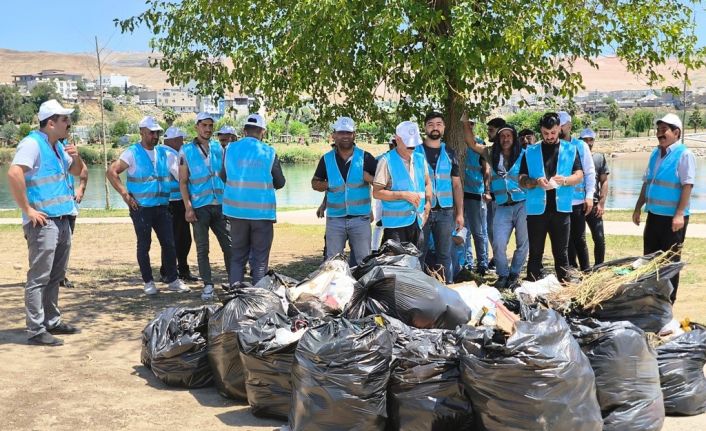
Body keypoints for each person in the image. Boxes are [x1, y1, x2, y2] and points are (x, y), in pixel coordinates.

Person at [7, 99, 86, 345]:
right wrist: (28, 209)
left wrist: (77, 157)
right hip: (43, 221)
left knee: (56, 274)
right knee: (39, 277)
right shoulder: (32, 144)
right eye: (64, 120)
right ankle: (36, 329)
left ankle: (52, 321)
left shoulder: (58, 146)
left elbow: (76, 172)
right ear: (50, 123)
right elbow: (14, 172)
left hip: (62, 218)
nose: (68, 124)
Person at [107, 116, 190, 296]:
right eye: (152, 132)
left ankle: (173, 279)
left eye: (157, 132)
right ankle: (148, 281)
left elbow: (181, 177)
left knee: (169, 243)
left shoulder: (164, 154)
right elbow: (112, 171)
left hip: (162, 207)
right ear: (142, 132)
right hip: (141, 208)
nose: (155, 136)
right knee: (144, 245)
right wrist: (125, 195)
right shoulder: (132, 153)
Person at [633, 113, 695, 303]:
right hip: (653, 216)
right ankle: (651, 299)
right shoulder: (655, 153)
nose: (660, 134)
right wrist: (638, 207)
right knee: (650, 260)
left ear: (676, 133)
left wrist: (679, 215)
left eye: (664, 131)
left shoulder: (684, 154)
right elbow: (647, 182)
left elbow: (687, 185)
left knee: (669, 264)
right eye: (658, 130)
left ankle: (668, 301)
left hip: (673, 221)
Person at [518, 112, 584, 283]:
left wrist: (565, 180)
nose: (549, 137)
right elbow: (521, 180)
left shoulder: (571, 149)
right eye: (546, 133)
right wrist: (534, 182)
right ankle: (531, 290)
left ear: (559, 129)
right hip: (536, 210)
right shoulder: (530, 151)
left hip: (561, 209)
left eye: (553, 133)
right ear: (541, 131)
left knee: (561, 254)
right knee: (535, 252)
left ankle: (565, 291)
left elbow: (579, 175)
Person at [464, 121, 529, 289]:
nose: (506, 139)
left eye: (509, 136)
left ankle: (514, 274)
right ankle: (503, 274)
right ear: (498, 139)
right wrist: (466, 125)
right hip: (501, 206)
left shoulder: (524, 154)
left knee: (523, 243)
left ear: (514, 138)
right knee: (499, 243)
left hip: (522, 204)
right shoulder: (491, 153)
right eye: (502, 136)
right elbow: (471, 144)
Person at [223, 113, 286, 285]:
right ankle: (258, 300)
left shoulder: (229, 149)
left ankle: (235, 299)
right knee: (259, 260)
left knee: (237, 258)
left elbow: (224, 175)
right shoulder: (268, 152)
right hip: (261, 214)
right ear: (262, 132)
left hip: (235, 213)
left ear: (244, 130)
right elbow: (280, 182)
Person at [180, 113, 232, 299]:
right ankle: (208, 284)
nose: (208, 129)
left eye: (211, 125)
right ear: (197, 127)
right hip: (200, 207)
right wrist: (188, 207)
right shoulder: (186, 151)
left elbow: (228, 176)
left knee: (229, 246)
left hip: (220, 205)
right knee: (203, 248)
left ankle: (234, 282)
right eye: (204, 125)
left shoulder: (219, 149)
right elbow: (183, 182)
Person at [312, 117, 376, 265]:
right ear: (334, 135)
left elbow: (384, 182)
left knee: (364, 263)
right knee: (333, 263)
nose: (345, 136)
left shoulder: (365, 157)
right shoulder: (326, 159)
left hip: (360, 219)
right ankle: (336, 288)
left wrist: (370, 178)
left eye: (349, 133)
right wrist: (327, 185)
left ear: (354, 135)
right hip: (335, 220)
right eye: (341, 133)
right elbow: (315, 183)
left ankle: (363, 288)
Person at [416, 112, 464, 283]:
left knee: (445, 254)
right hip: (423, 211)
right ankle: (421, 292)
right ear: (425, 127)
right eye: (430, 124)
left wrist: (459, 214)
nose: (434, 127)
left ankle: (447, 289)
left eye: (438, 124)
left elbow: (457, 185)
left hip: (445, 212)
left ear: (443, 127)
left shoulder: (450, 153)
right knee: (419, 254)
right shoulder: (416, 152)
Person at [372, 121, 432, 249]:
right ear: (397, 139)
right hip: (395, 227)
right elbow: (377, 192)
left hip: (417, 222)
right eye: (408, 142)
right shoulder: (386, 161)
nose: (412, 146)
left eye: (414, 142)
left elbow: (427, 183)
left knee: (416, 264)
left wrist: (428, 205)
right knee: (397, 267)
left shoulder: (420, 159)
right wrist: (403, 195)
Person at [160, 126, 198, 282]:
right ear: (174, 140)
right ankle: (168, 272)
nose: (183, 142)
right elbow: (179, 175)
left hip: (176, 201)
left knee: (182, 238)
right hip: (173, 202)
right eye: (181, 139)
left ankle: (181, 269)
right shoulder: (169, 154)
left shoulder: (165, 152)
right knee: (176, 238)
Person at [559, 112, 596, 273]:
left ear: (569, 126)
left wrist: (589, 196)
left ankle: (586, 272)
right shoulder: (553, 146)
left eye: (562, 124)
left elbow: (589, 172)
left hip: (577, 201)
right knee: (562, 240)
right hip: (559, 201)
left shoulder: (580, 146)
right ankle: (568, 271)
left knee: (579, 239)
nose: (559, 128)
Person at [460, 117, 492, 277]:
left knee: (479, 231)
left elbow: (486, 170)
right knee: (463, 231)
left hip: (475, 193)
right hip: (460, 194)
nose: (469, 126)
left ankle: (483, 263)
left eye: (471, 124)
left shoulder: (479, 145)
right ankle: (467, 262)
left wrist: (487, 190)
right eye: (467, 124)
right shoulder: (456, 143)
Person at [58, 138, 88, 289]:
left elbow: (83, 169)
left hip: (69, 206)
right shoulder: (42, 145)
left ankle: (60, 276)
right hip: (49, 209)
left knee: (66, 243)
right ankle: (49, 276)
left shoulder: (68, 147)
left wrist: (81, 188)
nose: (67, 129)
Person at [579, 128, 609, 266]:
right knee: (578, 239)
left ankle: (599, 267)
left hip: (594, 203)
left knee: (599, 237)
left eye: (591, 140)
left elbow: (604, 181)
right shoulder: (574, 157)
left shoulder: (599, 158)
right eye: (585, 140)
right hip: (577, 204)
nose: (588, 143)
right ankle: (580, 268)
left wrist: (601, 204)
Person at [484, 117, 506, 271]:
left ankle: (501, 265)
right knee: (492, 230)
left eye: (491, 130)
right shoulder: (491, 150)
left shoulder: (510, 150)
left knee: (497, 232)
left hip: (506, 199)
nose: (488, 133)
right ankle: (498, 260)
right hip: (494, 197)